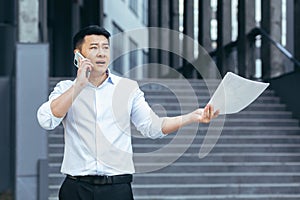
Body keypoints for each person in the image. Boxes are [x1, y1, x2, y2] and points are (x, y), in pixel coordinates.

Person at [37, 25, 219, 200]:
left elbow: (152, 127)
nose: (101, 53)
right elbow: (46, 120)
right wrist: (79, 86)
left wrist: (191, 117)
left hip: (117, 189)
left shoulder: (127, 88)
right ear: (78, 55)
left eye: (105, 48)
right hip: (76, 189)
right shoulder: (66, 88)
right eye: (94, 48)